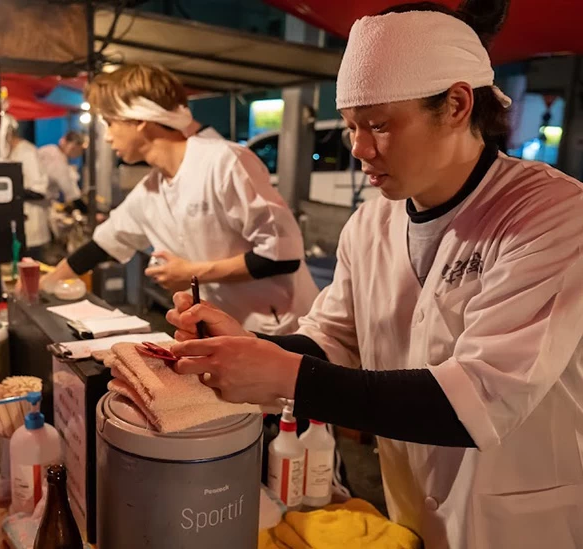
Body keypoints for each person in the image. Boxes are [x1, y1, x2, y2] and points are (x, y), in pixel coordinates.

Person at [167, 1, 583, 547]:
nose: (360, 149)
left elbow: (479, 397)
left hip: (524, 521)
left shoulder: (549, 212)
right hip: (408, 507)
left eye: (379, 125)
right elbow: (334, 338)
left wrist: (283, 375)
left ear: (457, 104)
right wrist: (246, 348)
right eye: (351, 128)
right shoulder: (371, 223)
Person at [38, 64, 317, 334]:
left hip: (282, 331)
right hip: (224, 330)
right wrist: (45, 283)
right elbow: (102, 245)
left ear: (139, 120)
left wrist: (192, 272)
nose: (108, 137)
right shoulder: (150, 189)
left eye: (110, 123)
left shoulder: (224, 162)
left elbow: (282, 256)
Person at [3, 115, 53, 263]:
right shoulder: (12, 152)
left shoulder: (27, 152)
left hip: (33, 230)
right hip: (20, 229)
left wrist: (13, 192)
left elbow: (39, 190)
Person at [38, 131, 86, 212]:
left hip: (42, 202)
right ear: (73, 146)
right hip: (39, 203)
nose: (79, 154)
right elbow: (69, 190)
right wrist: (85, 209)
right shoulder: (56, 158)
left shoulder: (51, 150)